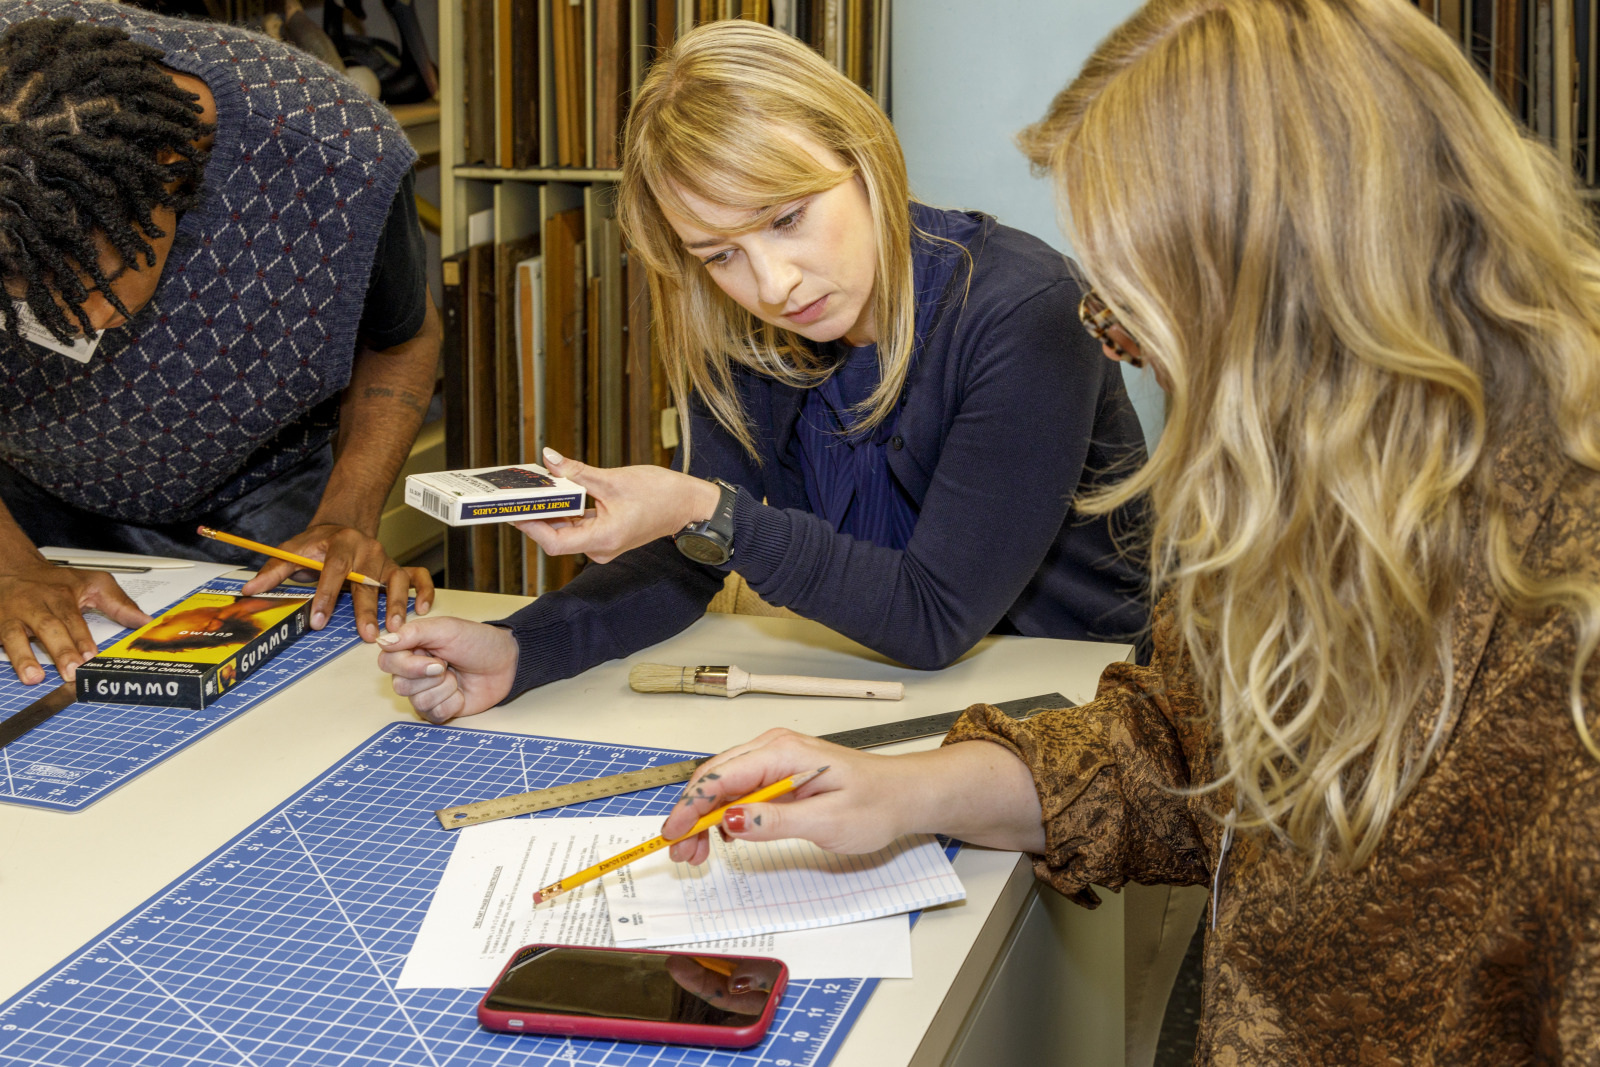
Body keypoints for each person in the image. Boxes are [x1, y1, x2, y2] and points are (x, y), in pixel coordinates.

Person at [642, 1, 1600, 1062]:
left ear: (1311, 276)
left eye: (1143, 308)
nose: (1128, 355)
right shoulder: (1307, 487)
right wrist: (910, 787)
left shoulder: (1567, 596)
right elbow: (1199, 753)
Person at [377, 21, 1150, 721]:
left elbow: (933, 614)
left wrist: (702, 507)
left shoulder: (1027, 311)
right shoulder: (745, 329)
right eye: (720, 254)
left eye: (786, 218)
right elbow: (690, 562)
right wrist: (521, 650)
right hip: (906, 692)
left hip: (1093, 706)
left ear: (861, 154)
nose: (774, 284)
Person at [0, 3, 439, 688]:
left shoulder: (338, 160)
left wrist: (346, 518)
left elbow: (401, 343)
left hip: (256, 496)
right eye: (26, 298)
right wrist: (8, 564)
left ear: (173, 173)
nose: (67, 327)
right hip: (19, 487)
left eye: (99, 286)